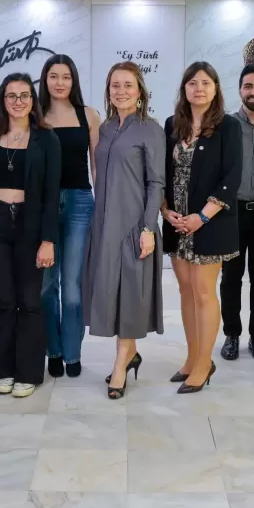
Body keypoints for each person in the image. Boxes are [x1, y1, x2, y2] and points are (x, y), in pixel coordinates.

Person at [84, 62, 165, 400]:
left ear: (140, 91)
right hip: (104, 224)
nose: (121, 91)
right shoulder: (103, 129)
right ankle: (129, 354)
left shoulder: (151, 129)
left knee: (130, 295)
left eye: (128, 85)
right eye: (115, 85)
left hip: (134, 225)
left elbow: (156, 182)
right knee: (112, 294)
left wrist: (148, 228)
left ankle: (120, 365)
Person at [0, 73, 61, 398]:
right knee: (5, 301)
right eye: (11, 96)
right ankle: (5, 370)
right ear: (2, 100)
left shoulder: (47, 139)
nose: (18, 101)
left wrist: (48, 240)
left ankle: (28, 372)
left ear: (33, 100)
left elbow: (52, 193)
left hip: (31, 224)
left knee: (29, 300)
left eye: (24, 95)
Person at [161, 62, 240, 393]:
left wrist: (202, 217)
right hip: (177, 223)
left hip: (210, 223)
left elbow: (231, 177)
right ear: (184, 89)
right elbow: (163, 172)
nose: (199, 88)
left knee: (204, 291)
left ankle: (205, 363)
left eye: (206, 83)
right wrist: (165, 210)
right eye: (192, 83)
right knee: (186, 291)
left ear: (216, 88)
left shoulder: (228, 126)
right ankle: (193, 357)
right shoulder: (172, 124)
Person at [38, 54, 100, 378]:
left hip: (79, 203)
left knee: (72, 287)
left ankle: (73, 353)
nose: (60, 82)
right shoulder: (34, 115)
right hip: (42, 207)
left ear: (73, 80)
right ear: (45, 79)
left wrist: (102, 205)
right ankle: (54, 350)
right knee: (46, 286)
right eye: (54, 76)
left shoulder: (88, 115)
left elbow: (96, 166)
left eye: (66, 76)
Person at [219, 64, 254, 362]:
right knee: (231, 277)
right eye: (248, 86)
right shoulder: (226, 125)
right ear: (240, 89)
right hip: (232, 213)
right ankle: (232, 334)